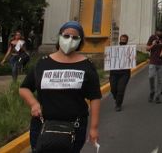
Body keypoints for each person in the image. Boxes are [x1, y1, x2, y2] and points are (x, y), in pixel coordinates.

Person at [19, 21, 101, 152]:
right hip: (42, 126)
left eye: (75, 37)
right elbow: (24, 88)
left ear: (80, 41)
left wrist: (94, 128)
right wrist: (33, 103)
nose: (70, 40)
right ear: (59, 36)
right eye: (66, 36)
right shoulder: (43, 63)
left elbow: (95, 97)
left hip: (74, 128)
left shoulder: (87, 66)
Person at [109, 34, 131, 111]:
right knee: (113, 89)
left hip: (124, 73)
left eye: (124, 40)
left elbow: (132, 60)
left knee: (121, 89)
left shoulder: (129, 50)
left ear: (127, 41)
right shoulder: (114, 49)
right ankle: (117, 98)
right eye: (121, 40)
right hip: (114, 72)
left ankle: (118, 104)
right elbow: (109, 58)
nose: (122, 41)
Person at [147, 30, 162, 103]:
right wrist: (153, 44)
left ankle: (157, 96)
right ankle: (152, 91)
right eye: (158, 31)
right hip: (153, 61)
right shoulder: (152, 37)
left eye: (160, 31)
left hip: (161, 62)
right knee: (151, 76)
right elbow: (147, 48)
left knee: (160, 80)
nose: (159, 32)